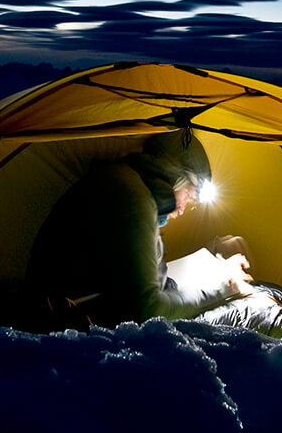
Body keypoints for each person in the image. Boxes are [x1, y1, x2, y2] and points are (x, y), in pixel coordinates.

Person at [25, 129, 251, 329]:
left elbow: (141, 279)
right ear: (175, 177)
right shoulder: (132, 197)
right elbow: (146, 311)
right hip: (67, 323)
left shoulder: (127, 182)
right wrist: (223, 286)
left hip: (83, 308)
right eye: (189, 196)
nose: (183, 209)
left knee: (226, 251)